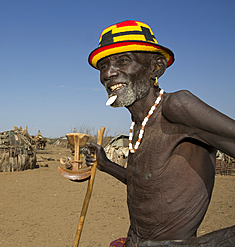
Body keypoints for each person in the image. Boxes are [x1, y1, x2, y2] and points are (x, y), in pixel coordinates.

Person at [85, 20, 235, 247]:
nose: (108, 73)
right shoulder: (139, 123)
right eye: (103, 66)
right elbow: (146, 184)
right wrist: (106, 165)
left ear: (156, 67)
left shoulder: (176, 107)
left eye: (123, 60)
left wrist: (205, 244)